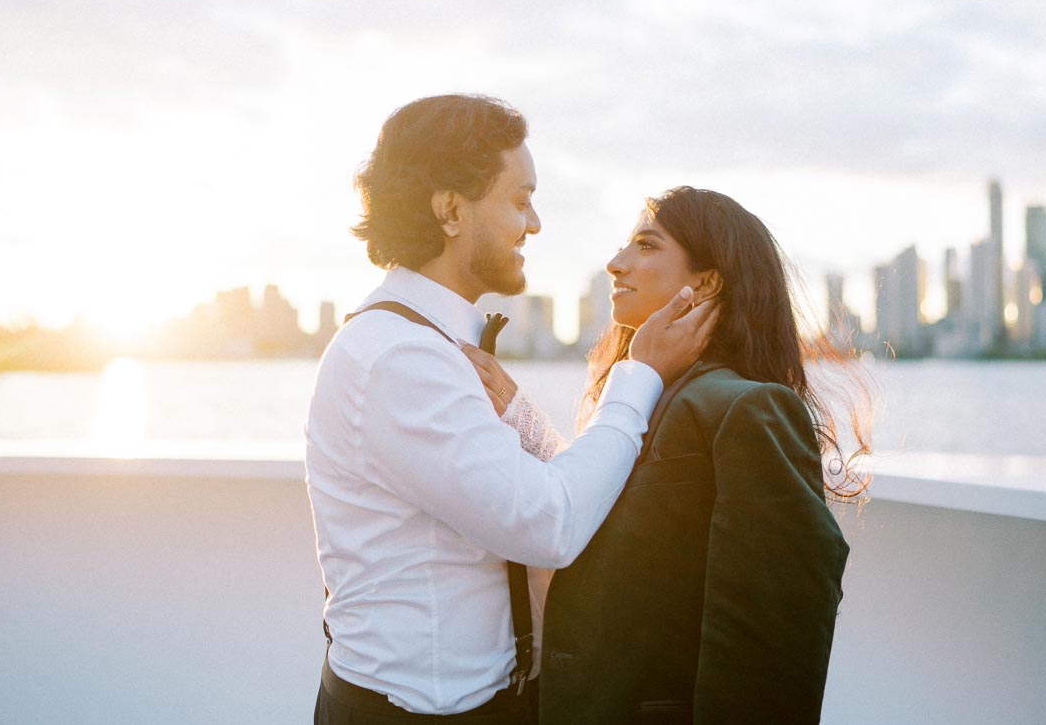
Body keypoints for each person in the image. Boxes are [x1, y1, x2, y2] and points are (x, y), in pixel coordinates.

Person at [305, 95, 718, 724]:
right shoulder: (399, 357)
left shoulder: (433, 346)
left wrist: (523, 415)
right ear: (449, 210)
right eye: (520, 199)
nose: (535, 223)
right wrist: (639, 376)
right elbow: (547, 523)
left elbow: (530, 490)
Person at [465, 186, 873, 724]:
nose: (616, 263)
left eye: (647, 246)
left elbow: (770, 644)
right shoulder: (645, 395)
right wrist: (524, 422)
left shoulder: (750, 408)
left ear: (705, 282)